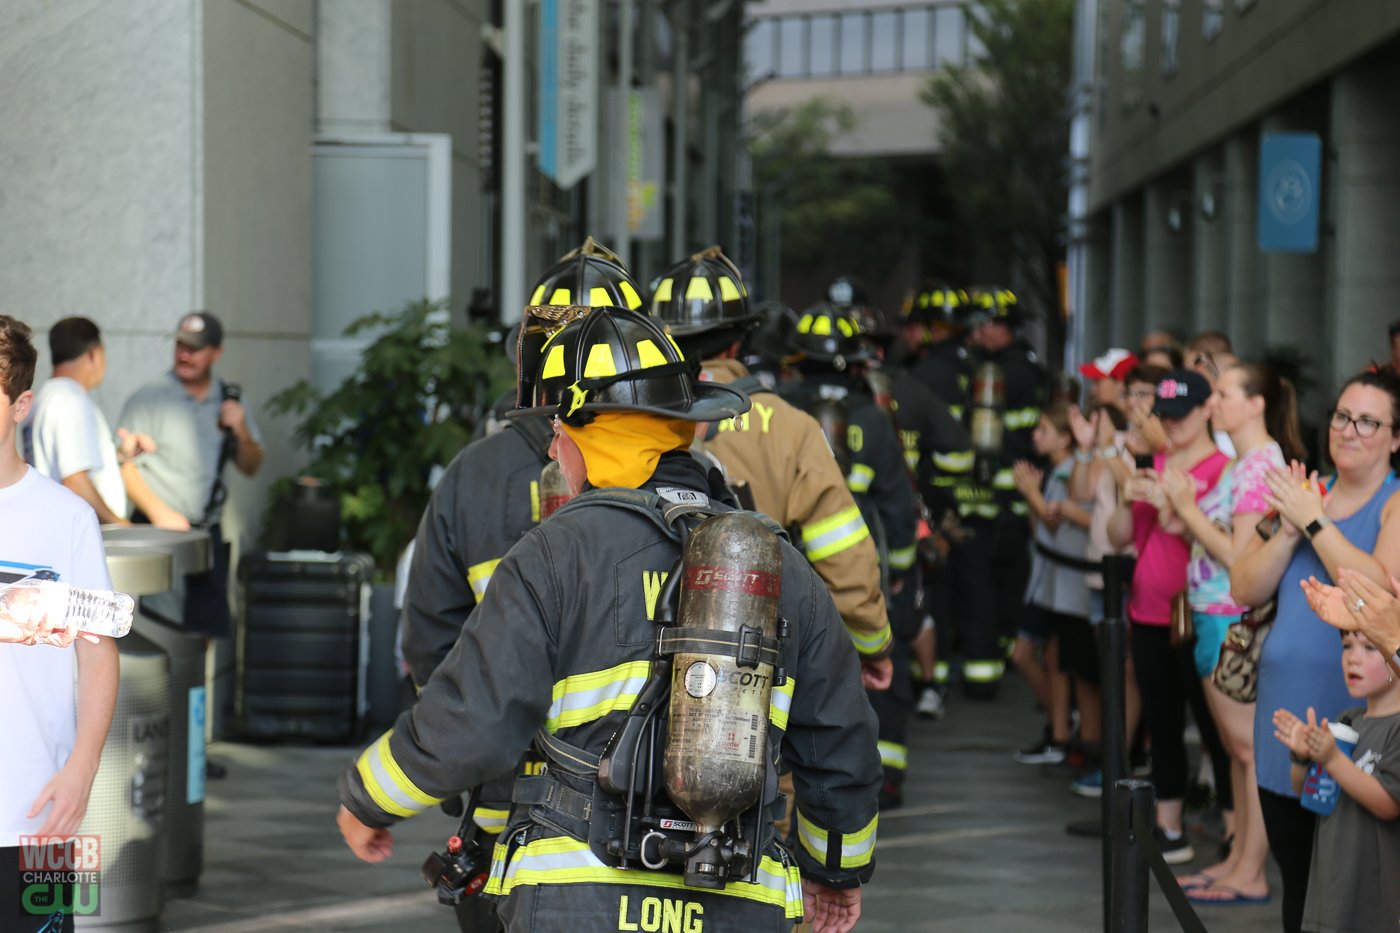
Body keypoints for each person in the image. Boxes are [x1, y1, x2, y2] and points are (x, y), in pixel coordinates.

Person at [336, 308, 882, 933]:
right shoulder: (775, 563)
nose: (551, 445)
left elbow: (474, 717)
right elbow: (839, 737)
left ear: (587, 438)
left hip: (576, 897)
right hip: (734, 898)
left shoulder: (553, 553)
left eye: (559, 429)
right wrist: (834, 872)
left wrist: (368, 800)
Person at [401, 239, 639, 932]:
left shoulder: (472, 477)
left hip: (507, 815)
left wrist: (460, 760)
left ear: (524, 357)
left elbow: (430, 645)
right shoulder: (689, 473)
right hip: (653, 815)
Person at [652, 250, 894, 688]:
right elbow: (844, 554)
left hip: (643, 658)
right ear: (738, 341)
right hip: (753, 660)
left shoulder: (627, 418)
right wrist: (871, 644)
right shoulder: (789, 426)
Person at [1231, 369, 1400, 933]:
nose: (1348, 430)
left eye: (1368, 421)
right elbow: (1244, 587)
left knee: (1348, 889)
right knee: (1297, 886)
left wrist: (1315, 520)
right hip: (1283, 722)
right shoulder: (1308, 490)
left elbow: (1376, 592)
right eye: (1341, 416)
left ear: (1395, 437)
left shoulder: (1392, 503)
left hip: (1355, 732)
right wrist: (1286, 529)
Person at [1160, 362, 1302, 904]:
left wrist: (1183, 508)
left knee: (1247, 751)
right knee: (1237, 750)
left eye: (1222, 392)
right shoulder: (1243, 464)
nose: (1213, 401)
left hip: (1230, 618)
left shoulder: (1257, 465)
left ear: (1257, 403)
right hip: (1214, 614)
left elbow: (1240, 556)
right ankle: (1239, 860)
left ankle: (1250, 869)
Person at [0, 315, 120, 933]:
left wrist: (82, 770)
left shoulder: (68, 518)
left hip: (40, 811)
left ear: (22, 404)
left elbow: (98, 654)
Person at [1107, 368, 1230, 865]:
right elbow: (1119, 536)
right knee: (1162, 721)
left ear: (1206, 411)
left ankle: (1235, 831)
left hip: (1199, 612)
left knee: (1214, 724)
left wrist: (1173, 511)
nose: (1173, 425)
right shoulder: (1151, 461)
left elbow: (1225, 548)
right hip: (1149, 610)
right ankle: (1169, 825)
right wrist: (1129, 496)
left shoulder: (1222, 468)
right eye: (1166, 416)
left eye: (1182, 415)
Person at [118, 311, 263, 638]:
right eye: (180, 345)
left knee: (204, 634)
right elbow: (124, 468)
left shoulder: (230, 399)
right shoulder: (150, 396)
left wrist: (241, 431)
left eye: (194, 348)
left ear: (216, 352)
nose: (184, 354)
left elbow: (252, 466)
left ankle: (199, 691)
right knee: (157, 630)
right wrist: (160, 514)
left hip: (205, 534)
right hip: (156, 534)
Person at [949, 286, 1047, 698]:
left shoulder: (1000, 374)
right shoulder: (1026, 365)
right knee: (1007, 584)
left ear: (997, 325)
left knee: (986, 587)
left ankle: (984, 675)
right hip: (1014, 500)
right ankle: (1006, 661)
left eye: (982, 324)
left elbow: (1007, 442)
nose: (976, 333)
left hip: (998, 498)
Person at [1271, 628, 1400, 932]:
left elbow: (1388, 803)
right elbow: (1307, 791)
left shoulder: (1396, 729)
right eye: (1346, 646)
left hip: (1377, 899)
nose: (1352, 658)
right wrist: (1304, 758)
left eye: (1369, 647)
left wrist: (1332, 759)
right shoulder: (1347, 721)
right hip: (1335, 886)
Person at [1010, 403, 1096, 770]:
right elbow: (1042, 531)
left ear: (1065, 437)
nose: (1035, 435)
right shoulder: (1058, 472)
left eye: (1043, 428)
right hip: (1054, 584)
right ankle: (1060, 729)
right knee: (1057, 660)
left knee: (1036, 656)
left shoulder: (1069, 473)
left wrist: (1031, 493)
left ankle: (1068, 731)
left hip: (1067, 585)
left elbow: (1054, 523)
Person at [23, 317, 154, 526]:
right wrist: (120, 525)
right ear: (95, 353)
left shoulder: (46, 397)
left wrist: (118, 456)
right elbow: (75, 481)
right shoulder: (69, 400)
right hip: (82, 535)